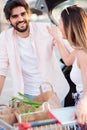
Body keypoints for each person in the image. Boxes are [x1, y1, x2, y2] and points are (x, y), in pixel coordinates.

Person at [0, 0, 69, 103]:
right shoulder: (5, 38)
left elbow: (70, 48)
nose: (21, 19)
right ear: (8, 20)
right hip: (26, 96)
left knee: (53, 119)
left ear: (28, 14)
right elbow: (2, 70)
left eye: (23, 14)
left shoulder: (45, 29)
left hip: (52, 93)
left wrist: (58, 40)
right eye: (15, 16)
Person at [47, 5, 87, 125]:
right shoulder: (79, 48)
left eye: (60, 23)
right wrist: (58, 40)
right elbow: (68, 60)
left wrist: (83, 105)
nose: (59, 27)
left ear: (69, 26)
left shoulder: (83, 53)